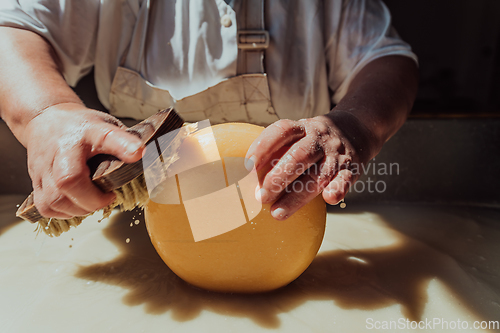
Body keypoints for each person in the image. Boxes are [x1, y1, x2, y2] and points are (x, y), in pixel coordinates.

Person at [0, 0, 418, 221]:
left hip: (292, 211)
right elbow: (12, 27)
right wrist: (46, 113)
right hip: (148, 216)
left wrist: (354, 125)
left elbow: (385, 59)